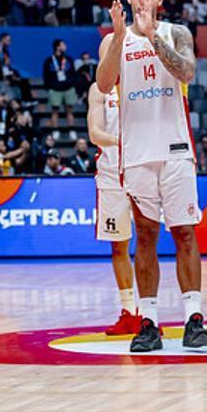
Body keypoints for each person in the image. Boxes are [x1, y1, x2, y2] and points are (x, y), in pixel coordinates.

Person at [95, 0, 207, 352]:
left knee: (184, 232)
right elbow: (103, 82)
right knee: (145, 235)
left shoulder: (176, 32)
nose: (143, 0)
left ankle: (194, 318)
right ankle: (149, 322)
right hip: (138, 152)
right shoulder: (115, 40)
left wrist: (152, 38)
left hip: (175, 148)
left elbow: (187, 71)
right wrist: (119, 37)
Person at [86, 83, 138, 335]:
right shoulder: (99, 89)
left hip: (142, 167)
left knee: (149, 240)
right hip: (110, 175)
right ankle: (129, 311)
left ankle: (148, 313)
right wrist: (122, 141)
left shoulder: (140, 79)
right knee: (118, 245)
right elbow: (95, 133)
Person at [43, 38, 78, 141]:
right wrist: (50, 86)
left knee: (70, 110)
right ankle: (55, 130)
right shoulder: (49, 61)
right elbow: (46, 75)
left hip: (68, 89)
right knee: (55, 111)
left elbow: (73, 73)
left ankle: (72, 130)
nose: (65, 47)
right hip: (55, 89)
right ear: (57, 47)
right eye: (63, 45)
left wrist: (72, 83)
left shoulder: (69, 59)